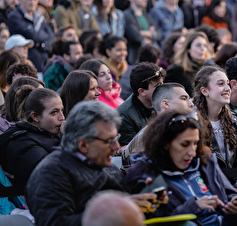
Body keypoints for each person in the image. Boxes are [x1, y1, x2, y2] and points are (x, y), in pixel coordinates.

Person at [25, 101, 161, 226]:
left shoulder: (102, 163)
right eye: (109, 141)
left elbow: (121, 199)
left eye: (116, 138)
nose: (116, 147)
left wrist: (142, 192)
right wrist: (115, 211)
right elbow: (54, 223)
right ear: (83, 145)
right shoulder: (50, 174)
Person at [126, 111, 237, 226]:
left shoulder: (205, 162)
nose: (192, 153)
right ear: (165, 143)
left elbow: (235, 205)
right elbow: (157, 222)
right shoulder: (146, 175)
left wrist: (236, 209)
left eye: (195, 143)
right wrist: (194, 207)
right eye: (184, 144)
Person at [0, 88, 64, 194]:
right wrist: (67, 139)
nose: (62, 117)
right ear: (35, 116)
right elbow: (52, 175)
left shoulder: (49, 131)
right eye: (54, 112)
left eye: (62, 110)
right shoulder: (20, 142)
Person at [122, 82, 194, 168]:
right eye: (184, 99)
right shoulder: (151, 136)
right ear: (166, 104)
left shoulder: (176, 129)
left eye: (189, 99)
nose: (191, 104)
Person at [193, 66, 237, 169]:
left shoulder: (232, 120)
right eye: (221, 84)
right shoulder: (193, 123)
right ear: (205, 91)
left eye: (227, 83)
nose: (228, 89)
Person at [7, 0, 55, 72]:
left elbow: (51, 37)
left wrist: (41, 45)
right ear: (21, 0)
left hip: (43, 63)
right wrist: (42, 39)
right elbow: (33, 36)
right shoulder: (14, 17)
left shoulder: (40, 16)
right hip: (24, 66)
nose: (32, 2)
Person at [117, 62, 164, 146]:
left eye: (162, 83)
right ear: (142, 91)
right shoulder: (124, 116)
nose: (163, 88)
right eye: (158, 86)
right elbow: (131, 151)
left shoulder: (160, 102)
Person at [165, 32, 211, 96]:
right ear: (188, 48)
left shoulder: (209, 69)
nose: (203, 49)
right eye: (198, 45)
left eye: (205, 45)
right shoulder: (176, 70)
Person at [124, 0, 159, 64]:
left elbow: (158, 33)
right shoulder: (126, 15)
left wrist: (144, 33)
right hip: (134, 57)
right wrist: (150, 34)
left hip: (148, 58)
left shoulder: (147, 16)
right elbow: (135, 36)